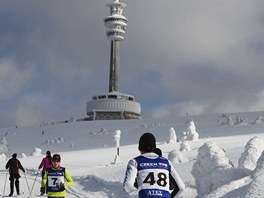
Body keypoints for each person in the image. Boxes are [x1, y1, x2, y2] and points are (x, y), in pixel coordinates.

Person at [123, 132, 185, 198]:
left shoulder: (135, 162)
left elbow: (128, 185)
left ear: (140, 148)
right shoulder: (166, 162)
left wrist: (138, 193)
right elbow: (181, 187)